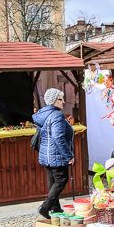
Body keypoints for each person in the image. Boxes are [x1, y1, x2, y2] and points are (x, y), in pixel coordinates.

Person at [33, 88, 74, 219]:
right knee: (62, 179)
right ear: (54, 101)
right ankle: (45, 207)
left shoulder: (43, 113)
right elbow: (58, 138)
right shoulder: (57, 115)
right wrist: (69, 156)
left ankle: (55, 209)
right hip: (56, 154)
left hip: (46, 153)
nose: (64, 101)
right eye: (61, 99)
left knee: (53, 181)